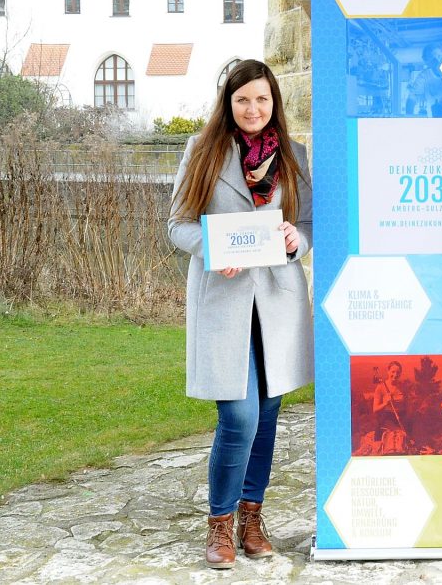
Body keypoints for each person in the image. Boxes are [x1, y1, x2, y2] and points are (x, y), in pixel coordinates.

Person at [168, 59, 313, 569]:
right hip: (224, 302)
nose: (253, 109)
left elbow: (308, 225)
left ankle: (253, 517)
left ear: (274, 104)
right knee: (239, 415)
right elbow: (178, 226)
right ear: (228, 105)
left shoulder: (294, 156)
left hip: (277, 302)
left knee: (268, 415)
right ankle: (220, 523)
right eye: (243, 100)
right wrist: (214, 249)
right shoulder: (202, 152)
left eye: (262, 99)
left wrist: (298, 240)